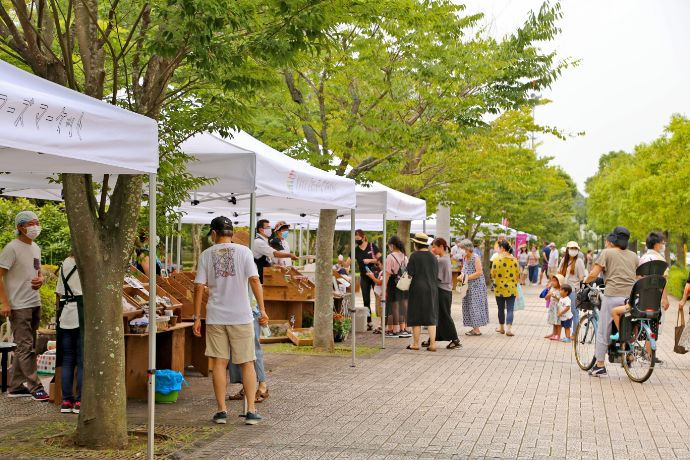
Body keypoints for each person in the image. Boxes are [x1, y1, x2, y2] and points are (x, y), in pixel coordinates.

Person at [193, 216, 269, 425]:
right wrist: (262, 309)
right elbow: (254, 280)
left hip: (216, 316)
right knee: (247, 363)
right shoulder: (245, 252)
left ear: (214, 234)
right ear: (231, 233)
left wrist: (197, 316)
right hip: (241, 316)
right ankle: (251, 410)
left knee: (219, 363)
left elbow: (198, 286)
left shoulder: (206, 255)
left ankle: (221, 411)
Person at [0, 211, 48, 400]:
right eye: (31, 223)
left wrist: (41, 279)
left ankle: (15, 386)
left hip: (34, 302)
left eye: (37, 222)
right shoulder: (11, 248)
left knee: (27, 346)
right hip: (18, 305)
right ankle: (36, 387)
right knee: (25, 346)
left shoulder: (36, 247)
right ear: (20, 227)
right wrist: (4, 302)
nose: (35, 226)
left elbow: (38, 270)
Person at [583, 226, 639, 377]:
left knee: (603, 330)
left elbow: (594, 274)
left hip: (612, 295)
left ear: (613, 239)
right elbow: (637, 276)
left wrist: (584, 281)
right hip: (630, 297)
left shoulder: (606, 252)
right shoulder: (634, 255)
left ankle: (600, 365)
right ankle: (628, 356)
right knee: (625, 325)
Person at [55, 253, 83, 414]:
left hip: (66, 315)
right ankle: (79, 401)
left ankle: (66, 401)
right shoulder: (87, 261)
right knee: (81, 360)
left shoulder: (65, 263)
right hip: (82, 315)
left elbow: (60, 292)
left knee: (67, 360)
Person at [228, 307, 269, 405]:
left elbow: (258, 292)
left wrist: (262, 311)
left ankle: (262, 386)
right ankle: (247, 388)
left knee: (254, 349)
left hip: (252, 312)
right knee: (238, 350)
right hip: (236, 312)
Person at [405, 233, 438, 351]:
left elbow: (409, 273)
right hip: (432, 288)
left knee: (416, 316)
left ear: (416, 244)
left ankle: (415, 344)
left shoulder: (414, 256)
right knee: (431, 316)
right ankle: (433, 344)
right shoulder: (433, 257)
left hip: (417, 288)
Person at [429, 238, 460, 349]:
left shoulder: (441, 260)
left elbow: (437, 277)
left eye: (435, 247)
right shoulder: (446, 258)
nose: (433, 249)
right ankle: (432, 338)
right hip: (446, 291)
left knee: (444, 315)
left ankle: (455, 339)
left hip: (442, 291)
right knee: (440, 315)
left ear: (441, 246)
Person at [490, 240, 520, 337]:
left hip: (499, 288)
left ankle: (501, 328)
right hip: (511, 288)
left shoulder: (496, 260)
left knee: (500, 308)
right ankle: (508, 329)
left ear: (502, 248)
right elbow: (517, 274)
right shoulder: (514, 260)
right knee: (510, 309)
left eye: (499, 247)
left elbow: (492, 274)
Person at [460, 239, 489, 336]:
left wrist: (466, 277)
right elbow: (465, 269)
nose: (461, 250)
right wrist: (462, 276)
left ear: (467, 248)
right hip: (467, 285)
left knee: (475, 306)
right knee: (469, 305)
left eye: (462, 248)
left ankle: (477, 330)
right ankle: (474, 328)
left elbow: (479, 272)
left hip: (476, 287)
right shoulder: (465, 257)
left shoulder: (475, 257)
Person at [354, 229, 382, 332]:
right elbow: (347, 263)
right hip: (364, 277)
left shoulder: (372, 246)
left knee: (378, 299)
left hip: (374, 276)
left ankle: (380, 322)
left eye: (358, 238)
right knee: (366, 300)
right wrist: (341, 262)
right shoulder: (356, 250)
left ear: (363, 237)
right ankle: (369, 322)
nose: (357, 240)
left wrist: (370, 260)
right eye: (355, 239)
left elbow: (380, 259)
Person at [558, 241, 586, 337]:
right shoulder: (564, 260)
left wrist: (581, 290)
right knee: (562, 309)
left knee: (574, 311)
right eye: (571, 248)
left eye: (575, 249)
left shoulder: (579, 261)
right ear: (567, 250)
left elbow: (582, 277)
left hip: (573, 290)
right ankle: (563, 333)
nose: (573, 250)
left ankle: (575, 333)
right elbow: (559, 273)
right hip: (563, 289)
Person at [385, 236, 411, 338]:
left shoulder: (390, 257)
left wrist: (384, 287)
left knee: (394, 306)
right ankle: (405, 328)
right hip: (404, 282)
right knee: (404, 305)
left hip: (393, 282)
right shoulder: (405, 256)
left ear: (392, 245)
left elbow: (387, 274)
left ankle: (395, 330)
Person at [545, 274, 565, 340]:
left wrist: (556, 297)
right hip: (552, 308)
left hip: (558, 308)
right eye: (552, 281)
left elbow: (563, 300)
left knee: (558, 322)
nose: (552, 282)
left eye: (554, 281)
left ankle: (558, 335)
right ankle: (554, 333)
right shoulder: (552, 289)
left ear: (559, 282)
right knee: (554, 321)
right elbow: (546, 298)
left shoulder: (561, 290)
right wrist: (549, 294)